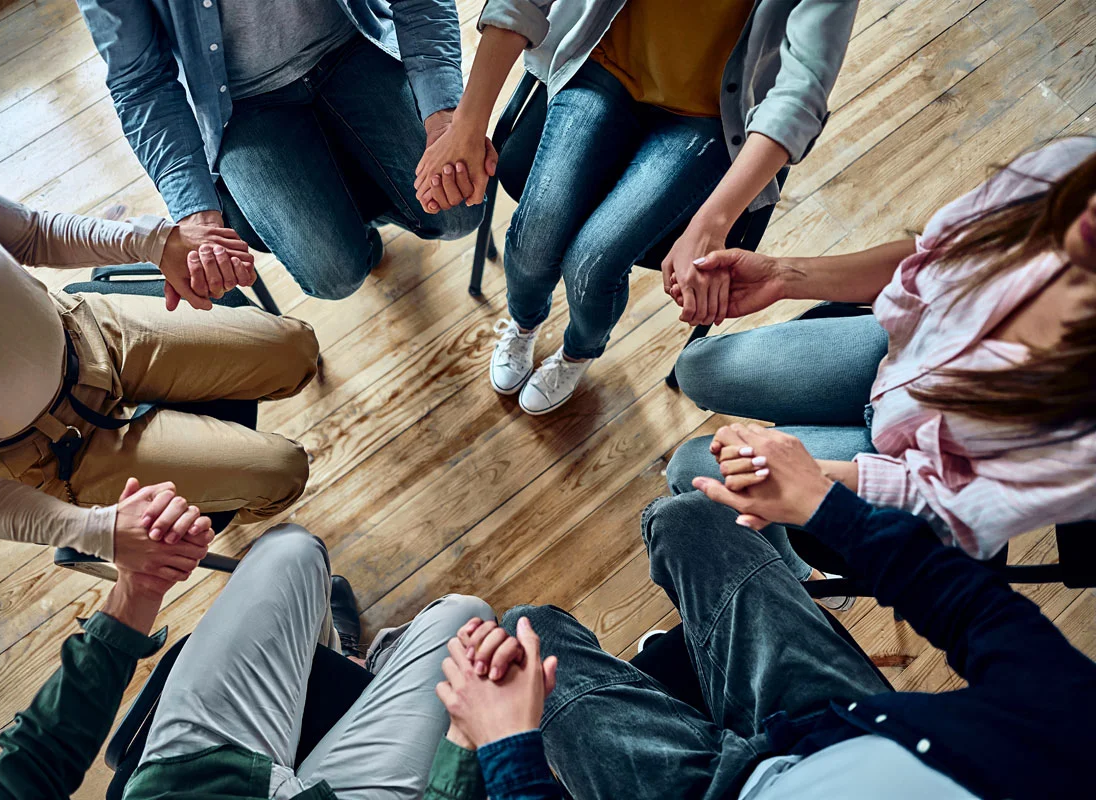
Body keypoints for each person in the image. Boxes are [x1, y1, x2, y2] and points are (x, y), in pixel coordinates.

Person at [423, 423, 1094, 800]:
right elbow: (976, 611)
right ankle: (692, 662)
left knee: (522, 631)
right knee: (690, 518)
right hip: (831, 725)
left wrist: (509, 753)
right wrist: (827, 504)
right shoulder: (1076, 745)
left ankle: (682, 668)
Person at [664, 136, 1096, 597]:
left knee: (688, 467)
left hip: (918, 473)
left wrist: (811, 482)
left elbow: (959, 505)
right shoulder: (1067, 168)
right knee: (698, 366)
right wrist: (784, 275)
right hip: (893, 357)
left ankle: (799, 573)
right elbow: (929, 258)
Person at [0, 123, 319, 574]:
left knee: (297, 348)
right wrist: (100, 530)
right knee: (285, 470)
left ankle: (216, 471)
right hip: (51, 454)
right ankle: (231, 502)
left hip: (85, 330)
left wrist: (156, 241)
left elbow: (30, 233)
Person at [414, 0, 857, 413]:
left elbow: (800, 92)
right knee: (534, 240)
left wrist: (711, 222)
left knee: (594, 262)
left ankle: (578, 351)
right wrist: (467, 125)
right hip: (604, 65)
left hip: (713, 117)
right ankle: (525, 323)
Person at [0, 523, 495, 799]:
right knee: (469, 619)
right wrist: (464, 752)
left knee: (291, 551)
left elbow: (33, 759)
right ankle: (358, 665)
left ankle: (334, 658)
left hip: (192, 783)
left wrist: (135, 595)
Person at [77, 0, 490, 302]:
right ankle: (355, 227)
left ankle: (354, 209)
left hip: (354, 40)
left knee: (460, 209)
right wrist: (195, 213)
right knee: (333, 275)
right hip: (239, 105)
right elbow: (141, 83)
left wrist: (444, 116)